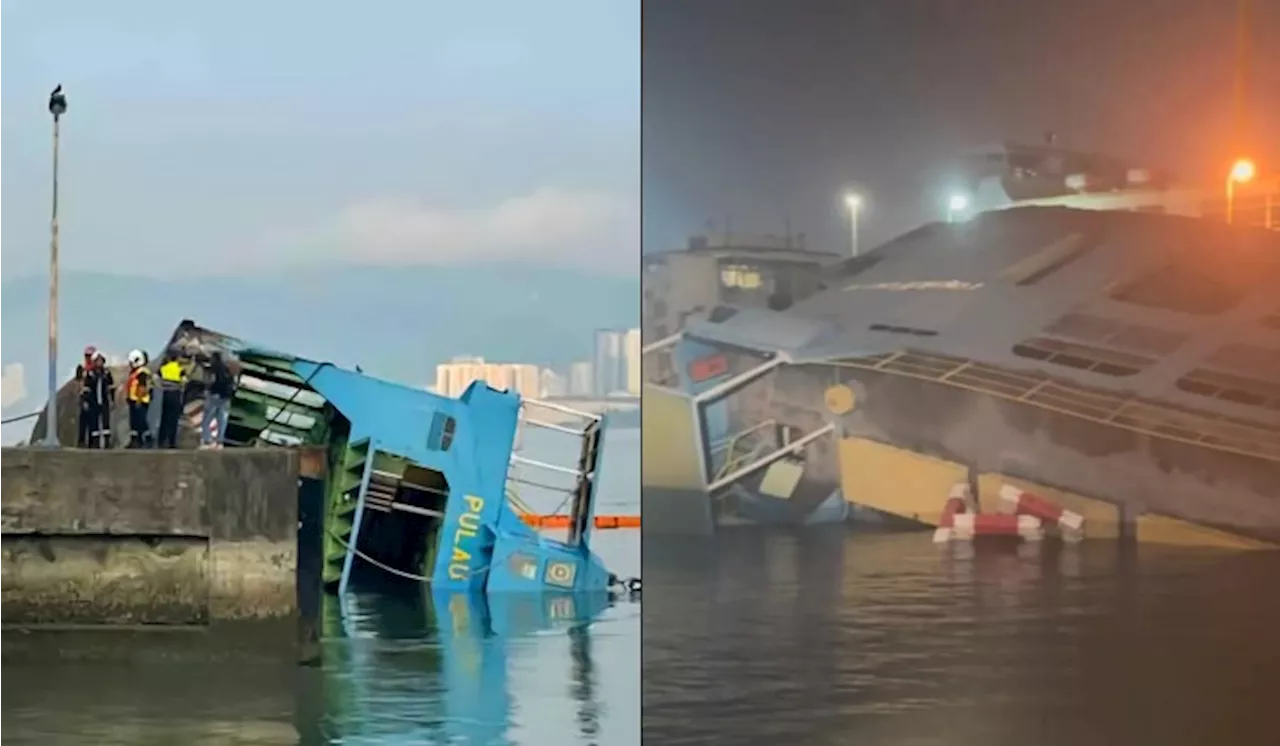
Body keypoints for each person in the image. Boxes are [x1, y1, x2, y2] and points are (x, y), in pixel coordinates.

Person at [200, 350, 237, 449]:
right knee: (222, 420)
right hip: (226, 397)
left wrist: (209, 390)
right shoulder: (228, 369)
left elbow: (213, 381)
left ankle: (206, 440)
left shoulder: (215, 368)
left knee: (207, 419)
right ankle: (220, 442)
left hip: (215, 396)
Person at [157, 350, 188, 449]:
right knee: (173, 419)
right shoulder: (180, 369)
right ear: (177, 358)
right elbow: (184, 381)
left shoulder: (163, 368)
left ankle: (161, 441)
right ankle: (172, 442)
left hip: (165, 395)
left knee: (164, 418)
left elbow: (155, 378)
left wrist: (161, 386)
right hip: (175, 395)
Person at [84, 351, 115, 448]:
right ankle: (95, 444)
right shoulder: (90, 374)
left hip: (104, 401)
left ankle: (107, 443)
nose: (99, 362)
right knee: (94, 423)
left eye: (101, 360)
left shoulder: (106, 373)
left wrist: (112, 400)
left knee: (106, 423)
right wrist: (85, 401)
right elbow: (86, 389)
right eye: (97, 360)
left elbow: (111, 387)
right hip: (93, 401)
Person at [125, 349, 154, 448]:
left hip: (140, 401)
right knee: (134, 423)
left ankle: (147, 440)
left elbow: (142, 387)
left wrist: (139, 400)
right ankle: (135, 441)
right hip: (133, 400)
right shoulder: (136, 372)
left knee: (141, 422)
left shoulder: (142, 373)